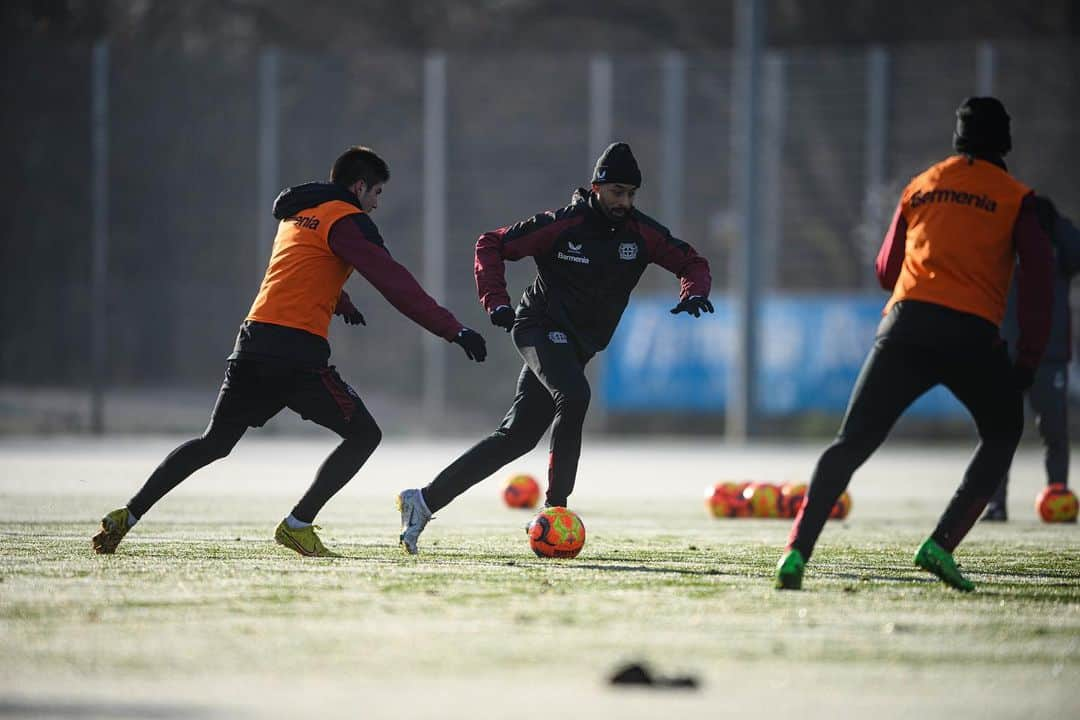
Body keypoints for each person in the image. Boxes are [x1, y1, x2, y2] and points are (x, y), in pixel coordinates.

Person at [92, 146, 488, 557]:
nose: (376, 203)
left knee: (214, 442)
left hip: (253, 343)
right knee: (365, 435)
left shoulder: (299, 213)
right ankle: (298, 525)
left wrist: (341, 302)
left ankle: (128, 514)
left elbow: (301, 268)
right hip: (296, 355)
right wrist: (453, 330)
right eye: (377, 192)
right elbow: (395, 283)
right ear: (358, 186)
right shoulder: (348, 221)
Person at [775, 97, 1054, 592]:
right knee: (1003, 429)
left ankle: (796, 552)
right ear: (1004, 141)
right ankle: (940, 544)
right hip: (971, 335)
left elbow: (886, 272)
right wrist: (1028, 358)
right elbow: (1038, 283)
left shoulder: (923, 185)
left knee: (851, 443)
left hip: (906, 325)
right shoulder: (1017, 198)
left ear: (958, 138)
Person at [395, 142, 713, 554]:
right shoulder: (564, 224)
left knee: (516, 437)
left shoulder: (642, 234)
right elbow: (490, 244)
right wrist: (496, 301)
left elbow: (692, 261)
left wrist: (693, 290)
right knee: (575, 396)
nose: (625, 201)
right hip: (538, 327)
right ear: (596, 187)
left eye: (632, 194)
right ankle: (556, 510)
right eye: (617, 191)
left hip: (577, 346)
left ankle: (422, 501)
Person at [983, 197, 1080, 521]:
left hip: (1049, 354)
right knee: (999, 431)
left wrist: (1058, 223)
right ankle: (995, 503)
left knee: (1054, 430)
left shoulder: (1058, 242)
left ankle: (1058, 494)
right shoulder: (1003, 239)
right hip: (1007, 352)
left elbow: (1076, 255)